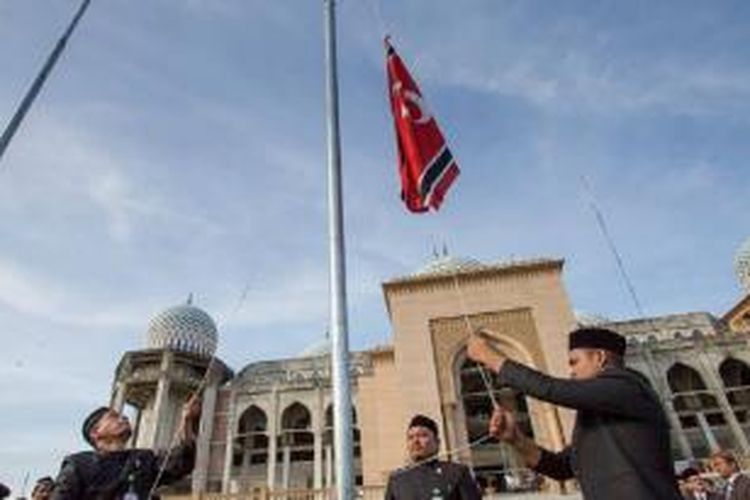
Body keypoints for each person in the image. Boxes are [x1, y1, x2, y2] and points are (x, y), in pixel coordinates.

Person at [467, 326, 682, 500]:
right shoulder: (601, 412)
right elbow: (562, 468)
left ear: (599, 357)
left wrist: (491, 358)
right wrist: (516, 439)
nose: (572, 371)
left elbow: (550, 388)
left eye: (575, 362)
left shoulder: (629, 386)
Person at [51, 396, 201, 500]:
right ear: (95, 432)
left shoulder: (144, 459)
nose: (124, 418)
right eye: (113, 416)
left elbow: (180, 463)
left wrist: (187, 421)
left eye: (122, 416)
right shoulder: (78, 465)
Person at [385, 414, 482, 500]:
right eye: (411, 437)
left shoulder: (457, 473)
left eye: (422, 435)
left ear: (437, 442)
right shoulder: (397, 479)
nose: (415, 441)